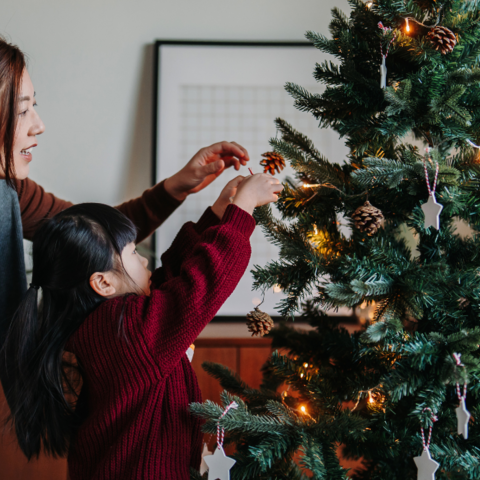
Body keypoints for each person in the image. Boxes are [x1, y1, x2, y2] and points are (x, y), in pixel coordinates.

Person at [1, 171, 282, 479]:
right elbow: (200, 284)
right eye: (133, 252)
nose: (146, 261)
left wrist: (216, 215)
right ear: (104, 283)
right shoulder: (128, 329)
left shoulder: (107, 322)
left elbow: (170, 280)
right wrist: (242, 209)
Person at [0, 36, 250, 364]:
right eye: (22, 110)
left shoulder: (11, 192)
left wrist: (175, 188)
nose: (39, 125)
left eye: (35, 106)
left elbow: (96, 234)